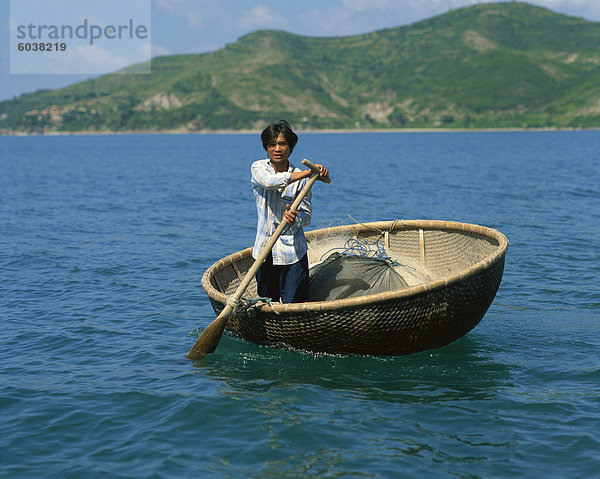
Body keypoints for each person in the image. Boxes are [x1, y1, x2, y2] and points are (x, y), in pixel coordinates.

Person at [251, 120, 329, 303]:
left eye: (282, 144)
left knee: (295, 304)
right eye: (272, 144)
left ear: (290, 146)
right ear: (266, 147)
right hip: (265, 250)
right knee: (265, 302)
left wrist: (295, 219)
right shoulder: (258, 168)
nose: (277, 149)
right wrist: (309, 172)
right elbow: (270, 182)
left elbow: (307, 216)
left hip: (293, 252)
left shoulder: (303, 180)